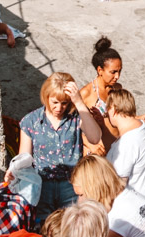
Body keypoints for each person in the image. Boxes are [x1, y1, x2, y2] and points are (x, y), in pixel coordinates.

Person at [18, 72, 103, 224]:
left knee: (72, 227)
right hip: (43, 186)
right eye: (55, 102)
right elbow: (24, 158)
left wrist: (79, 102)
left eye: (64, 103)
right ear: (46, 97)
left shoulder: (76, 116)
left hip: (71, 186)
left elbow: (95, 138)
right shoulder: (31, 121)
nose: (59, 108)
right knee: (44, 228)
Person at [106, 87, 145, 209]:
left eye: (108, 111)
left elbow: (118, 187)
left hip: (140, 210)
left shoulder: (126, 144)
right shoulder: (142, 126)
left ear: (114, 110)